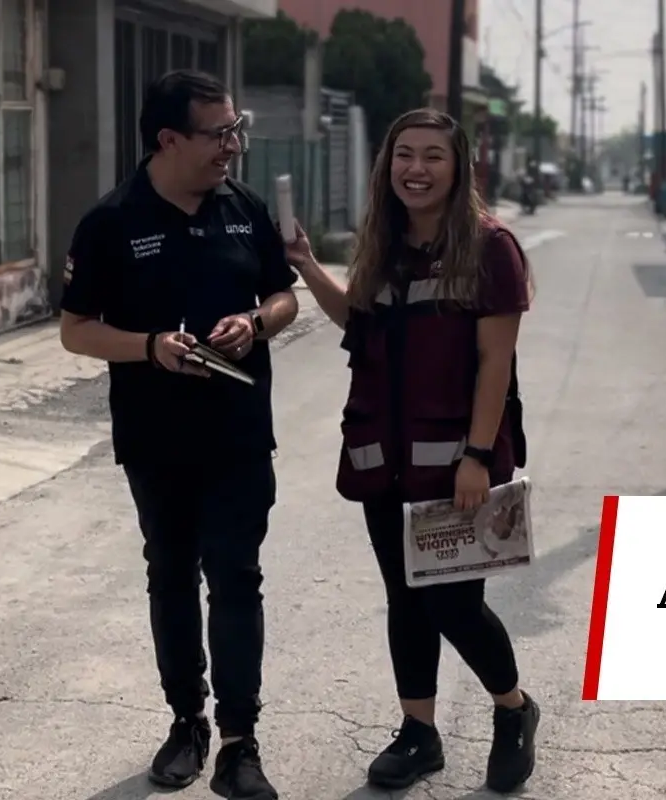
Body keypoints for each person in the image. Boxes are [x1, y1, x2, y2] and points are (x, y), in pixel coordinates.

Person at [58, 69, 298, 800]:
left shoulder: (243, 208)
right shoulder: (111, 222)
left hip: (238, 433)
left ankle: (239, 740)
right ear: (169, 140)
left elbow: (284, 295)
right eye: (219, 134)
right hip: (156, 439)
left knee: (236, 579)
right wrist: (153, 346)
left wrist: (254, 323)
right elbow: (75, 331)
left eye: (236, 131)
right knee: (170, 576)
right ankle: (186, 722)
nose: (233, 146)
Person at [286, 107, 540, 794]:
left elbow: (496, 363)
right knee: (404, 597)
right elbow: (361, 324)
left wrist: (478, 457)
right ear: (386, 164)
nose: (416, 169)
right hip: (383, 455)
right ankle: (419, 732)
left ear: (458, 169)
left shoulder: (490, 247)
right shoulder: (385, 243)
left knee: (452, 604)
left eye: (433, 156)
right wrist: (308, 266)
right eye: (404, 154)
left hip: (453, 461)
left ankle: (513, 710)